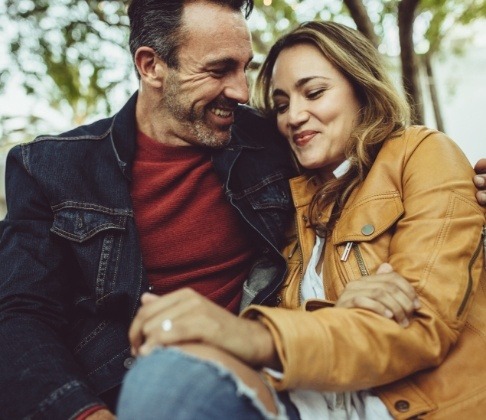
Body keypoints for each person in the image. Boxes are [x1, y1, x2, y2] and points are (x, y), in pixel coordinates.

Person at [0, 1, 431, 419]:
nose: (242, 92)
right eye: (219, 69)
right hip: (115, 392)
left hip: (261, 384)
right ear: (151, 66)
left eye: (245, 67)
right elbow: (19, 318)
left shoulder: (272, 139)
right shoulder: (50, 168)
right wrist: (86, 414)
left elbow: (373, 166)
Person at [118, 20, 486, 419]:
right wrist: (338, 312)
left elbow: (421, 325)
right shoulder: (294, 201)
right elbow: (310, 333)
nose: (293, 116)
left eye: (314, 92)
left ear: (361, 88)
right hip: (306, 405)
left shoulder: (420, 154)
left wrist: (251, 335)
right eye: (280, 104)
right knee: (167, 376)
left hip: (406, 407)